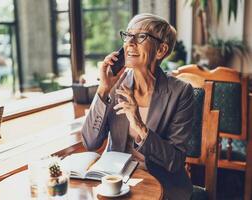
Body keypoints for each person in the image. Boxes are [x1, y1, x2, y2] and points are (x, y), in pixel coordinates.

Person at [81, 13, 193, 200]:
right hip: (116, 182)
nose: (130, 43)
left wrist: (139, 124)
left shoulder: (181, 92)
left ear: (161, 50)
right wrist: (103, 88)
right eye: (128, 35)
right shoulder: (115, 84)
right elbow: (90, 142)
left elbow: (175, 161)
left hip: (160, 183)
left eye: (141, 37)